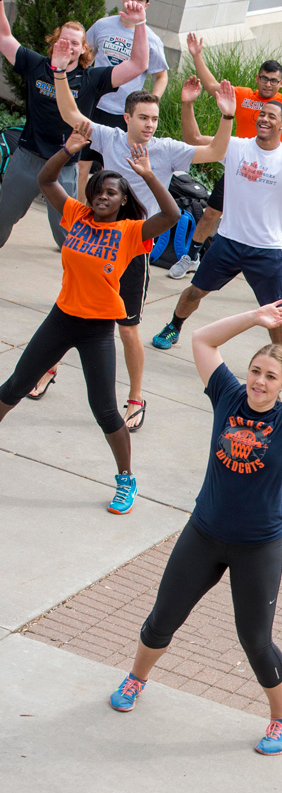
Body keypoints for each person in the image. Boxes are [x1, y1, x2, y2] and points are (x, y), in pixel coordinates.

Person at [107, 303, 282, 755]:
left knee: (256, 640)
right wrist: (253, 317)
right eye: (255, 371)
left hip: (257, 547)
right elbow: (202, 339)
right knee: (162, 618)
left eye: (270, 376)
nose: (259, 382)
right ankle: (136, 678)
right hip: (203, 533)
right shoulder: (226, 394)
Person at [41, 65, 236, 431]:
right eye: (143, 117)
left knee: (127, 329)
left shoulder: (166, 150)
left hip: (133, 249)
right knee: (70, 313)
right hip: (96, 246)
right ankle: (47, 368)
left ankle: (134, 397)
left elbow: (216, 150)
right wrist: (60, 73)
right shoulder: (111, 138)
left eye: (155, 118)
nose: (150, 124)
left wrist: (227, 114)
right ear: (127, 117)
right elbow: (71, 115)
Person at [0, 124, 178, 514]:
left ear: (121, 200)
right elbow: (45, 179)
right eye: (98, 190)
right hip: (62, 318)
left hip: (98, 329)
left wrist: (147, 173)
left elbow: (172, 213)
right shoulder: (76, 215)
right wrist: (67, 150)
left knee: (104, 409)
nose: (102, 196)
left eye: (110, 193)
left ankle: (126, 479)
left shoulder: (130, 232)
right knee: (15, 384)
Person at [151, 109, 282, 350]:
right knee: (194, 292)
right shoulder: (234, 147)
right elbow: (194, 139)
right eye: (262, 114)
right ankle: (174, 327)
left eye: (272, 116)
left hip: (265, 250)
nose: (264, 119)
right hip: (228, 242)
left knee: (274, 311)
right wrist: (188, 103)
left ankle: (279, 355)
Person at [0, 0, 150, 250]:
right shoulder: (36, 65)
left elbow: (138, 63)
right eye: (63, 41)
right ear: (54, 42)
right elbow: (4, 37)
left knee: (70, 239)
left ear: (84, 49)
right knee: (1, 220)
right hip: (27, 157)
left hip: (65, 165)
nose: (67, 47)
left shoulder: (92, 79)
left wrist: (139, 23)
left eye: (74, 44)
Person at [172, 34, 282, 277]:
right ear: (257, 79)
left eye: (273, 81)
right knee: (210, 213)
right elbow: (211, 86)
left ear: (281, 83)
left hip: (271, 174)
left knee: (266, 228)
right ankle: (192, 256)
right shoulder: (242, 95)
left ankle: (281, 277)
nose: (268, 84)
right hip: (239, 166)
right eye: (264, 79)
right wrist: (196, 55)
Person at [80, 0, 169, 195]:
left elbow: (161, 76)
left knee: (111, 171)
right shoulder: (102, 25)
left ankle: (106, 217)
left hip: (124, 115)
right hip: (94, 107)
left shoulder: (152, 40)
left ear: (146, 5)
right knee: (81, 164)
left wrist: (151, 103)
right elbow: (86, 56)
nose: (134, 2)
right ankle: (79, 218)